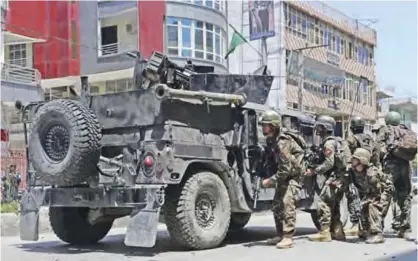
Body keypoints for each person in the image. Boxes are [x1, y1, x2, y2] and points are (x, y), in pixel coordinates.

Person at [259, 110, 305, 249]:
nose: (263, 127)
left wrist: (270, 181)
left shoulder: (283, 141)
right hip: (284, 174)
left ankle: (288, 237)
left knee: (287, 202)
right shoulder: (271, 140)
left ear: (273, 126)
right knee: (277, 204)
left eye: (265, 125)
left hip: (294, 175)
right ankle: (280, 234)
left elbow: (286, 168)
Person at [307, 115, 349, 242]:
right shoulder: (336, 141)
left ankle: (325, 232)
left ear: (325, 128)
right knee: (334, 206)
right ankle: (337, 232)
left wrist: (314, 171)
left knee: (323, 203)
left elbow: (329, 163)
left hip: (333, 177)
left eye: (320, 127)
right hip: (340, 177)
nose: (317, 130)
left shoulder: (329, 143)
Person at [344, 116, 387, 236]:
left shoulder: (351, 139)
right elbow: (376, 158)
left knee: (358, 198)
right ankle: (370, 228)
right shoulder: (371, 139)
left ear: (352, 128)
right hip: (370, 170)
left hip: (357, 171)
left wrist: (349, 165)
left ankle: (363, 227)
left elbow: (346, 154)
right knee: (370, 199)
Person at [377, 111, 413, 240]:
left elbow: (379, 150)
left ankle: (377, 231)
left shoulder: (385, 130)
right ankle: (405, 229)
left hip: (390, 166)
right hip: (406, 166)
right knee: (405, 196)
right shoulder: (405, 130)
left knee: (384, 195)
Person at [349, 148, 389, 244]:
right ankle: (366, 230)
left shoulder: (372, 175)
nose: (353, 164)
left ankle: (377, 234)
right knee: (363, 207)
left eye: (356, 161)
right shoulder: (354, 171)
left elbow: (377, 194)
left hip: (383, 192)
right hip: (369, 194)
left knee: (372, 205)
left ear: (363, 162)